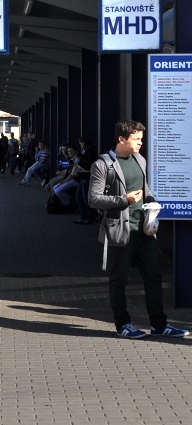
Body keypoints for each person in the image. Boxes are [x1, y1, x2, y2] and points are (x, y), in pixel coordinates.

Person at [88, 119, 188, 339]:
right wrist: (124, 199)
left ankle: (159, 325)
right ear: (121, 139)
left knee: (154, 276)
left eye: (141, 139)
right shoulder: (103, 165)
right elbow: (93, 199)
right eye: (136, 139)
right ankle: (123, 324)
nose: (140, 143)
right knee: (119, 280)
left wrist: (152, 200)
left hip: (144, 230)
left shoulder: (139, 159)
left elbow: (145, 187)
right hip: (120, 231)